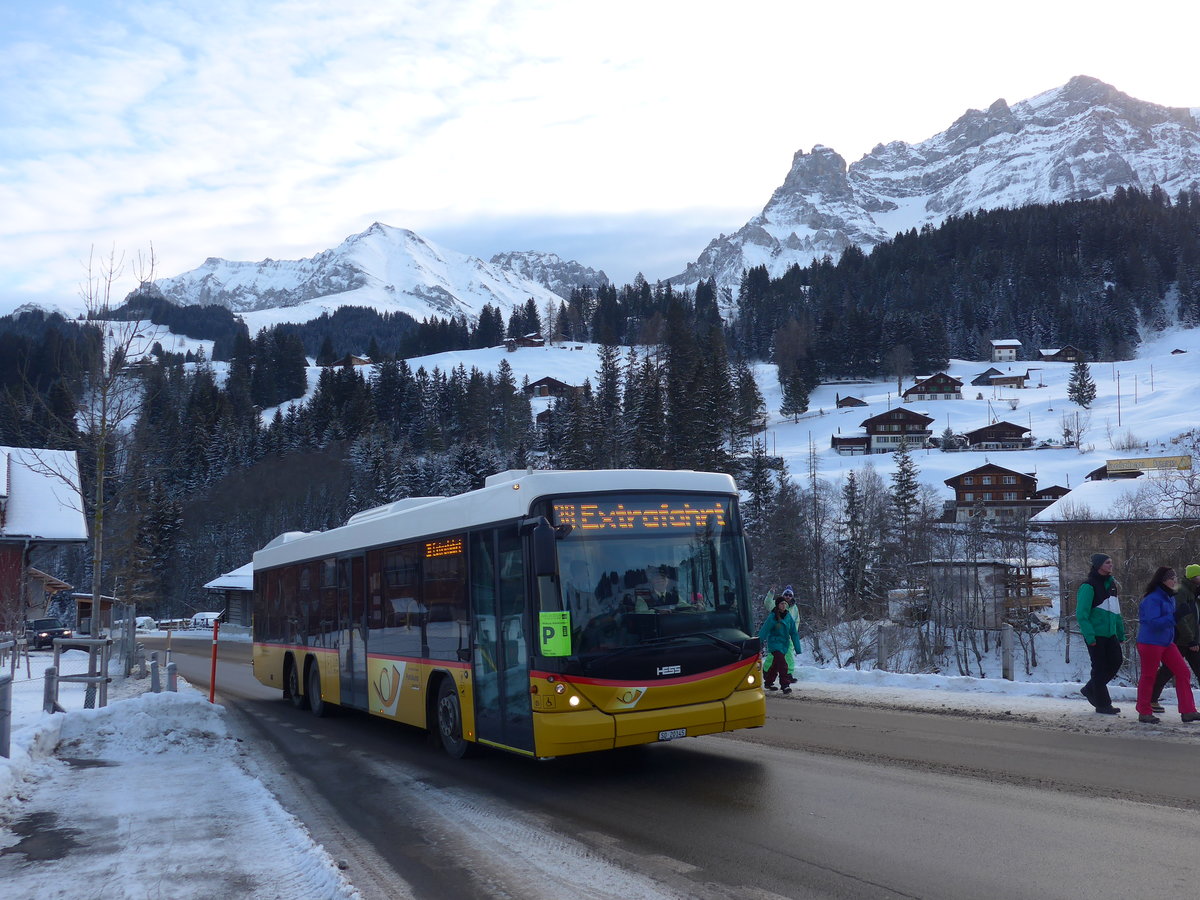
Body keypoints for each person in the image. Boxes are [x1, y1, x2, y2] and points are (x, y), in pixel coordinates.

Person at [1136, 567, 1200, 724]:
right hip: (1150, 642)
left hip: (1167, 642)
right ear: (1162, 580)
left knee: (1183, 672)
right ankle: (1144, 712)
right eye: (1172, 577)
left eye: (1175, 577)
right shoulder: (1153, 599)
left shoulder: (1170, 597)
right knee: (1148, 676)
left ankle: (1188, 711)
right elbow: (1153, 623)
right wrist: (1176, 616)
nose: (1175, 580)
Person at [1076, 553, 1124, 715]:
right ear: (1099, 565)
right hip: (1096, 635)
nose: (1111, 565)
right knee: (1100, 668)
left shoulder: (1111, 585)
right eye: (1107, 562)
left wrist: (1120, 632)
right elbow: (1082, 614)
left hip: (1110, 634)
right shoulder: (1088, 586)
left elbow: (1116, 611)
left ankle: (1090, 689)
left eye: (1111, 562)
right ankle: (1103, 705)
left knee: (1116, 662)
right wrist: (1090, 636)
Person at [759, 595, 802, 694]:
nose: (784, 605)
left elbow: (794, 633)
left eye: (785, 604)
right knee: (783, 664)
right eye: (782, 604)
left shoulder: (788, 616)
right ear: (778, 605)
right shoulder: (772, 617)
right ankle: (785, 685)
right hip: (775, 644)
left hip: (784, 644)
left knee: (775, 665)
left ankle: (768, 682)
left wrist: (797, 647)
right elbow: (764, 630)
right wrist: (758, 642)